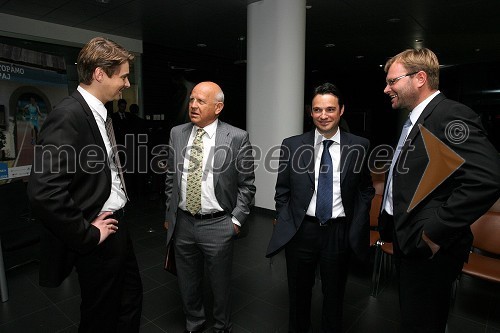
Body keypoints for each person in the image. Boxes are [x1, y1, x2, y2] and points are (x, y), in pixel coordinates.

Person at [379, 48, 500, 332]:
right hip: (409, 240)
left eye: (392, 81)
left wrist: (434, 232)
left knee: (424, 323)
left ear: (420, 78)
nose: (386, 89)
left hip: (430, 248)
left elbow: (487, 178)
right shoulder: (416, 118)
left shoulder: (450, 114)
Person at [27, 37, 143, 333]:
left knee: (128, 301)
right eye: (124, 76)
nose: (127, 84)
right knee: (101, 315)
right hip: (98, 234)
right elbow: (44, 191)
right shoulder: (69, 115)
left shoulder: (97, 112)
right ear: (100, 73)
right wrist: (87, 234)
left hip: (117, 225)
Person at [266, 82, 374, 332]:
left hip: (338, 232)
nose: (323, 116)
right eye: (317, 110)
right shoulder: (292, 145)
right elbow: (282, 190)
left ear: (341, 110)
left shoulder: (359, 145)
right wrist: (287, 218)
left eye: (329, 109)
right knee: (298, 295)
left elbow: (365, 187)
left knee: (334, 296)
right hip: (302, 232)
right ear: (310, 112)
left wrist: (357, 218)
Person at [164, 81, 256, 333]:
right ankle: (194, 322)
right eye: (191, 99)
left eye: (200, 101)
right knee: (187, 280)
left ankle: (221, 325)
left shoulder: (236, 137)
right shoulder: (177, 133)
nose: (193, 105)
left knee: (220, 283)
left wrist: (236, 221)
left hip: (218, 223)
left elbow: (247, 185)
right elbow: (171, 178)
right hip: (183, 222)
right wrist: (169, 215)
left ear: (218, 107)